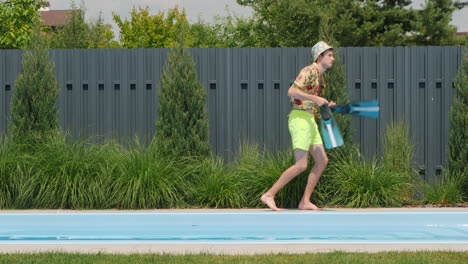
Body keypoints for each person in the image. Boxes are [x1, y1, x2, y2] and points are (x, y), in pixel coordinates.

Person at [261, 41, 336, 211]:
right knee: (301, 164)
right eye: (329, 55)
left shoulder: (320, 78)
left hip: (310, 120)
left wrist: (324, 104)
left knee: (322, 160)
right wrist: (316, 99)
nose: (333, 58)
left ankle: (305, 202)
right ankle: (269, 194)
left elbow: (310, 99)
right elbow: (291, 91)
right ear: (320, 57)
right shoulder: (309, 71)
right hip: (300, 119)